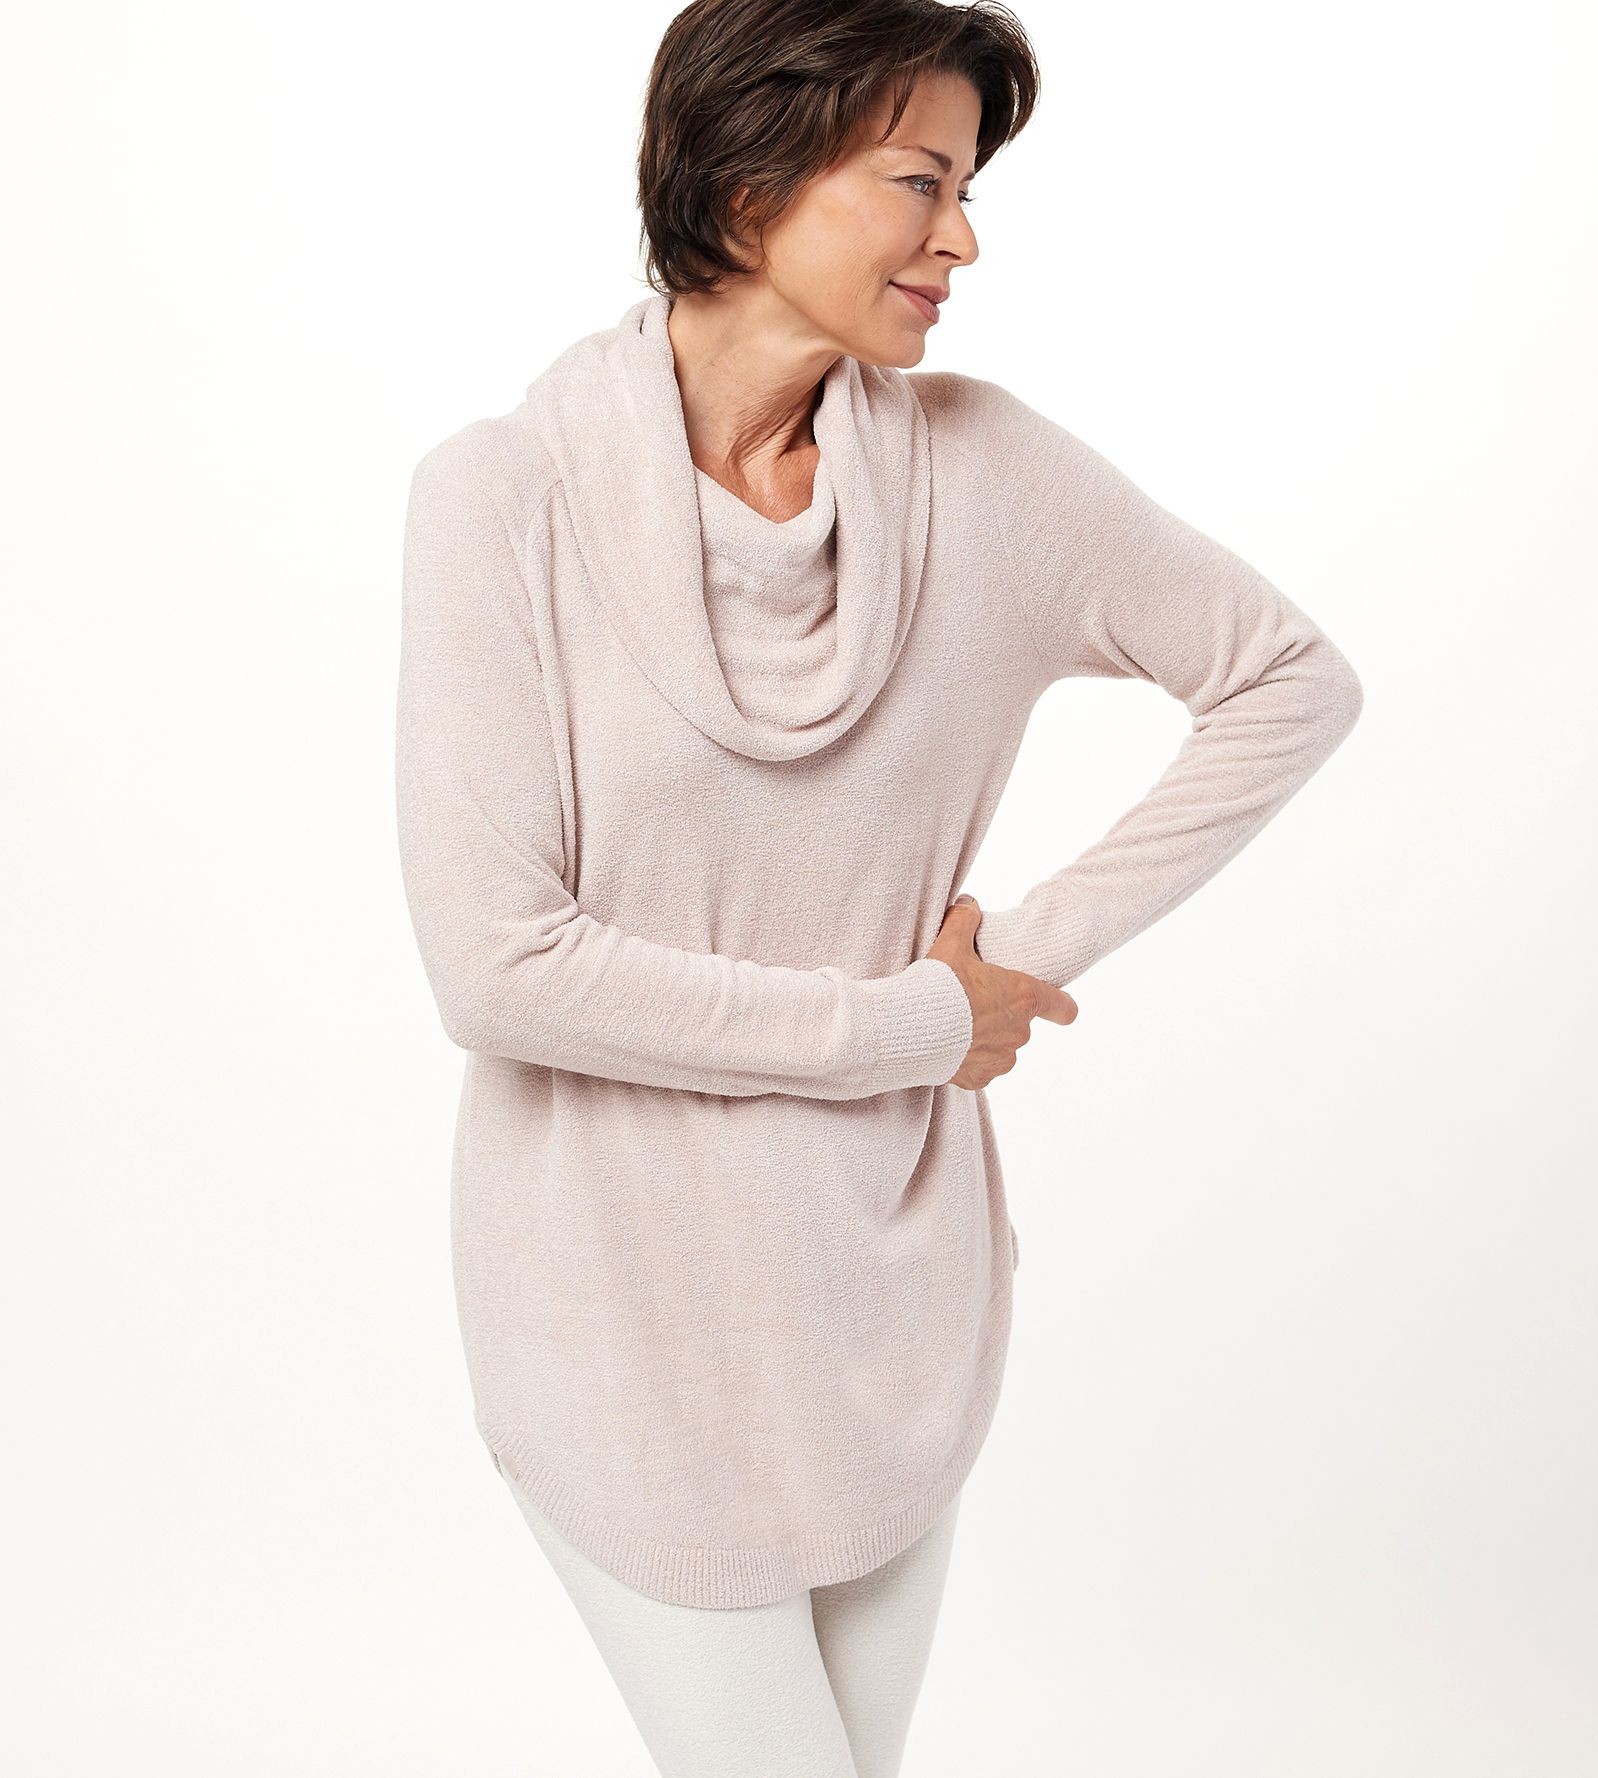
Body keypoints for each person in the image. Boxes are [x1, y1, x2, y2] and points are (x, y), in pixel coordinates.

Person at [393, 2, 1364, 1771]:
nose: (964, 238)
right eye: (922, 180)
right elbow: (497, 966)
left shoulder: (990, 478)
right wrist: (912, 1021)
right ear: (749, 182)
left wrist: (1022, 960)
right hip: (616, 1304)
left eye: (970, 187)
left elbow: (1288, 679)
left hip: (888, 1290)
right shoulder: (504, 501)